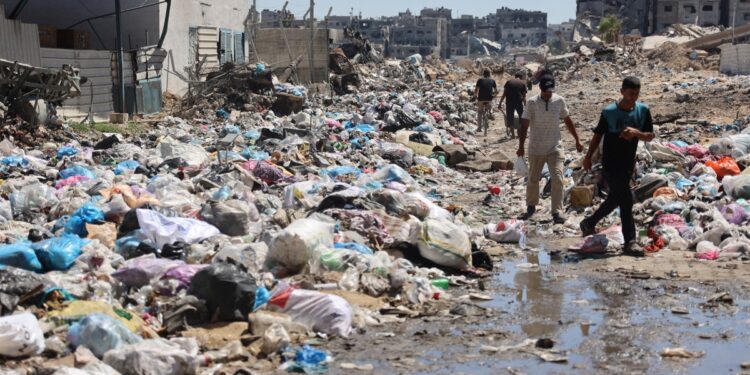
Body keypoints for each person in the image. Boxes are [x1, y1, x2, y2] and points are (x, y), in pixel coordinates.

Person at [580, 77, 655, 256]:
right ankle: (630, 242)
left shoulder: (643, 110)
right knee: (626, 199)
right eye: (630, 94)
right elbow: (598, 135)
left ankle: (589, 223)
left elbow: (650, 135)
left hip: (628, 162)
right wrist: (588, 157)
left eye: (636, 94)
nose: (633, 98)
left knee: (615, 198)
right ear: (622, 92)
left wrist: (636, 133)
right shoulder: (609, 112)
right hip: (611, 162)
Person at [517, 76, 583, 224]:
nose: (548, 94)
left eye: (551, 91)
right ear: (540, 89)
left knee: (558, 178)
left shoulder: (559, 101)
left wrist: (577, 139)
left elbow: (567, 120)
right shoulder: (532, 102)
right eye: (546, 91)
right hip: (536, 148)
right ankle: (531, 207)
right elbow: (524, 125)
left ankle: (557, 211)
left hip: (555, 147)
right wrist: (521, 146)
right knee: (533, 179)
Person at [499, 72, 528, 139]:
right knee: (521, 117)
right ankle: (520, 133)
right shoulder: (522, 83)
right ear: (521, 78)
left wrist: (500, 103)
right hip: (518, 102)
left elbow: (504, 94)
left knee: (510, 118)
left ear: (515, 77)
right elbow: (524, 97)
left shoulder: (508, 82)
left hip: (509, 102)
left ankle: (513, 135)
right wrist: (525, 105)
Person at [474, 69, 498, 136]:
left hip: (481, 99)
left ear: (483, 74)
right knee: (490, 107)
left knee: (479, 112)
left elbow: (476, 89)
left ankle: (479, 128)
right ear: (489, 74)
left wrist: (475, 96)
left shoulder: (480, 80)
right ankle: (490, 113)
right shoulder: (492, 80)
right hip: (489, 99)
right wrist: (494, 96)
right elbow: (496, 90)